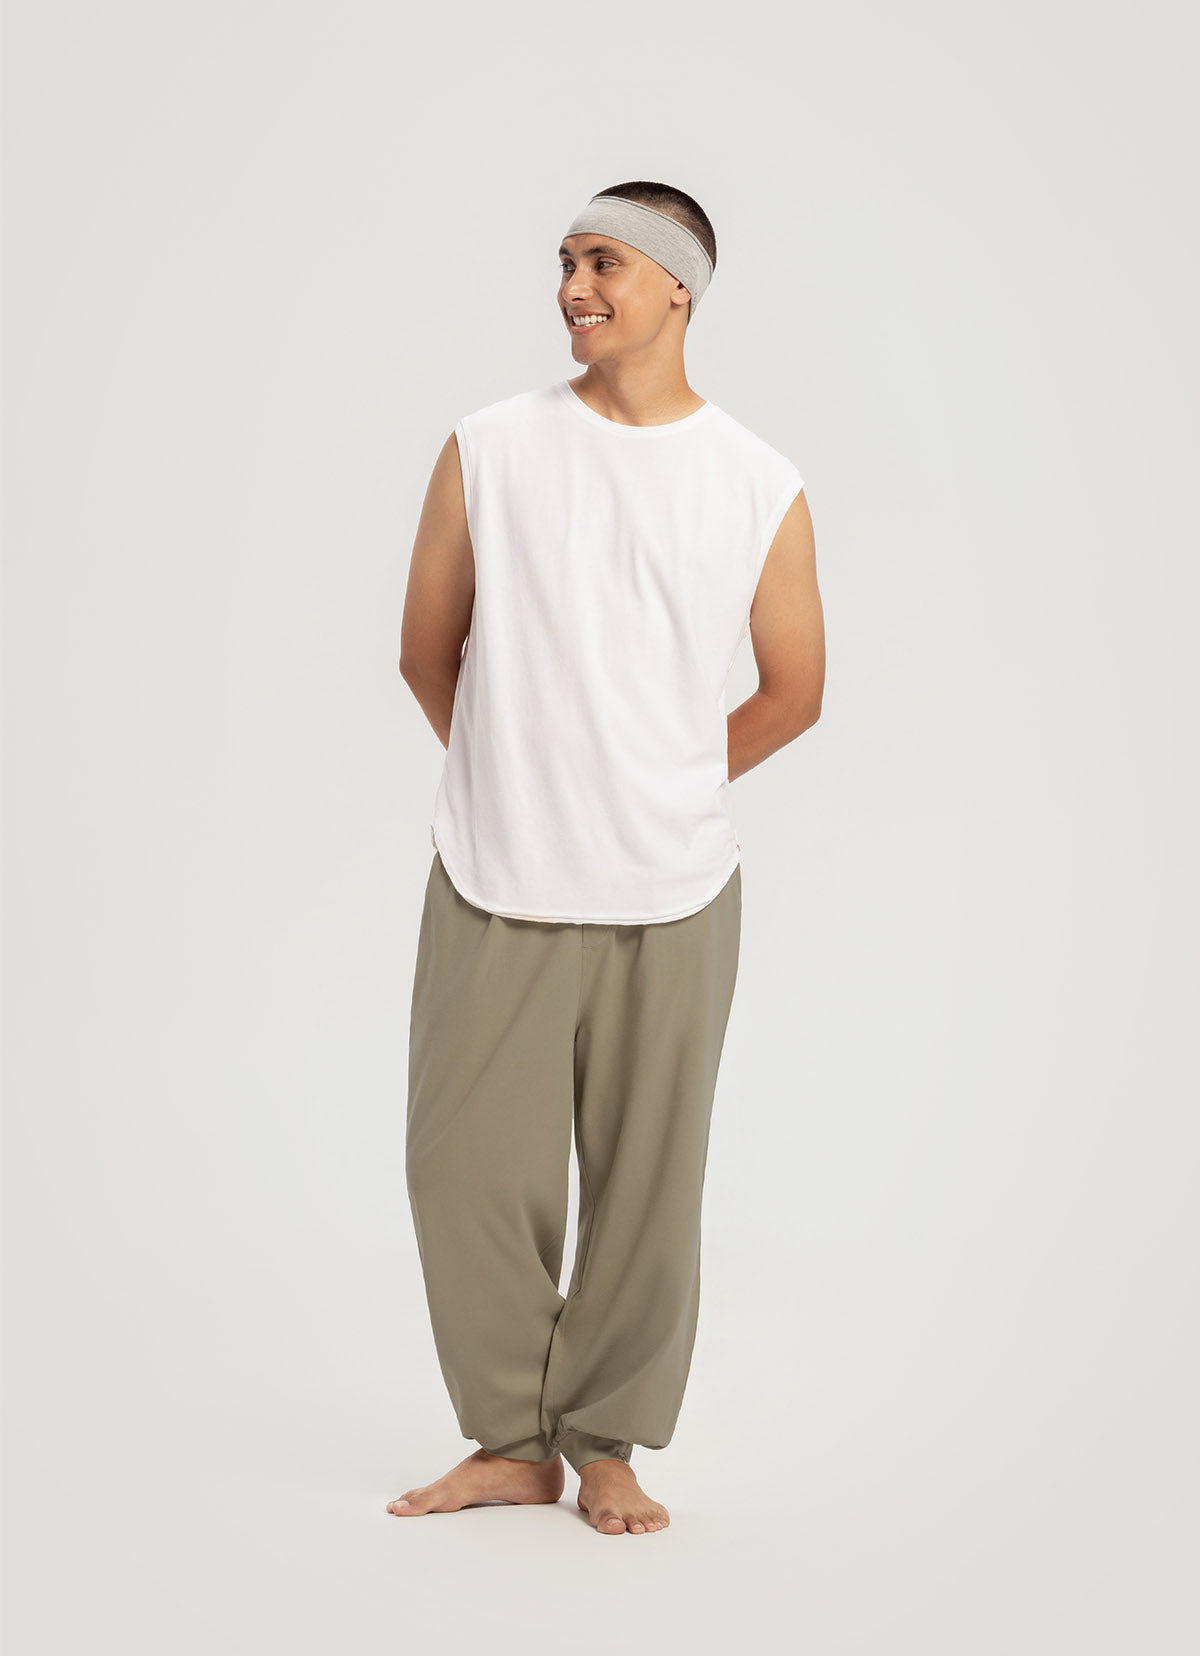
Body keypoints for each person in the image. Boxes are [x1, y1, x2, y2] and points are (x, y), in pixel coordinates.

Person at [387, 181, 824, 1536]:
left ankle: (608, 1446)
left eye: (603, 263)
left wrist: (661, 779)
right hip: (496, 872)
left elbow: (795, 690)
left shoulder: (756, 482)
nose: (574, 287)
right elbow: (425, 648)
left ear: (678, 286)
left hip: (672, 890)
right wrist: (519, 773)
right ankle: (512, 1443)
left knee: (646, 1185)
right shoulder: (490, 448)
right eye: (567, 262)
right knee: (462, 1170)